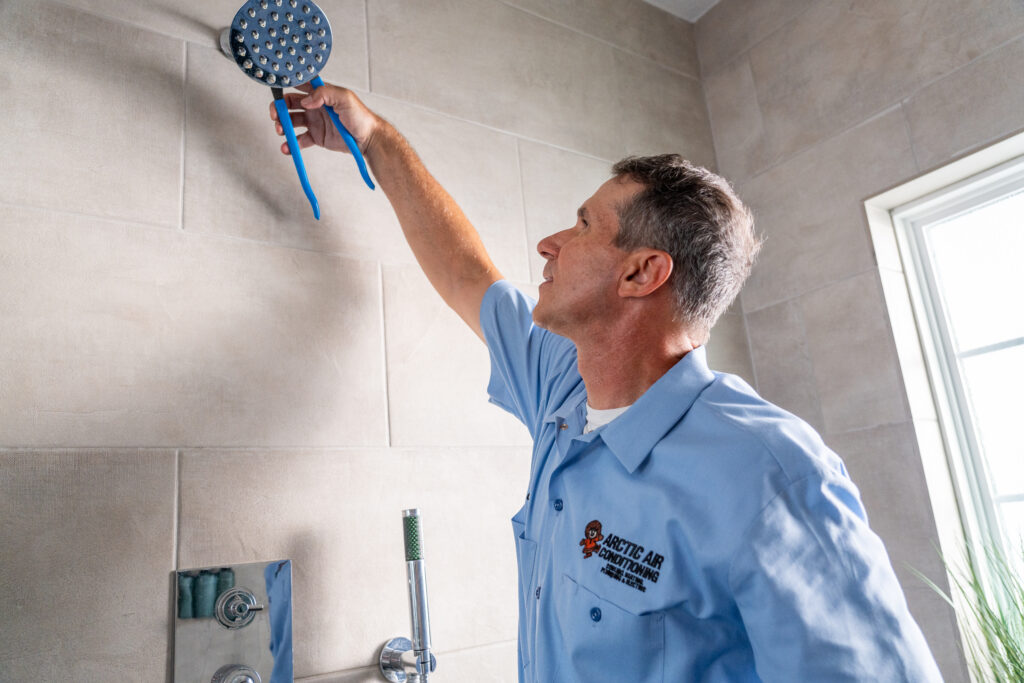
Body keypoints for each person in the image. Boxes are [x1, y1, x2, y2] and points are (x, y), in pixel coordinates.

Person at [270, 83, 943, 682]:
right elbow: (465, 271)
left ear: (641, 273)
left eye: (585, 224)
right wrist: (375, 137)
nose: (549, 244)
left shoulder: (768, 475)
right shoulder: (562, 388)